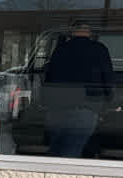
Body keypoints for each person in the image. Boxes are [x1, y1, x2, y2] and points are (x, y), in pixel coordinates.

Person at [41, 21, 114, 158]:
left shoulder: (60, 50)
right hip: (85, 109)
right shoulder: (99, 50)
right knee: (71, 152)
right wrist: (110, 101)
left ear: (72, 32)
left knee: (55, 151)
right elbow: (107, 80)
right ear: (90, 32)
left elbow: (49, 79)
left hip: (56, 110)